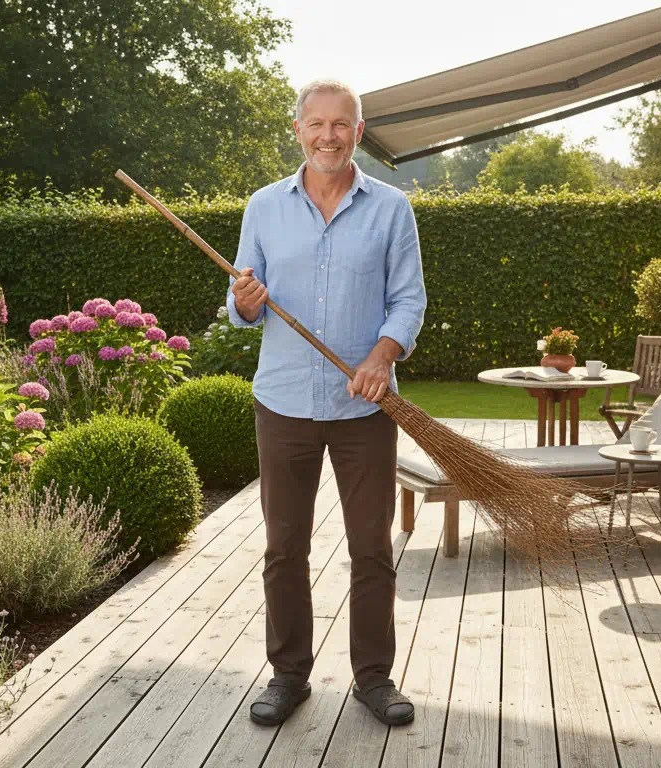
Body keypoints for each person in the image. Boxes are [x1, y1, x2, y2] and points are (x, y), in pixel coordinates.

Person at [226, 78, 427, 728]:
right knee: (284, 547)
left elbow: (408, 300)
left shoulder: (391, 208)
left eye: (341, 124)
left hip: (365, 411)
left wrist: (382, 356)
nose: (328, 136)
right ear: (299, 131)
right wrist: (244, 304)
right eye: (317, 124)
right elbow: (239, 299)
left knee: (371, 546)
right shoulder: (263, 206)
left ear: (358, 132)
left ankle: (373, 678)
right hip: (283, 404)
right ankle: (289, 676)